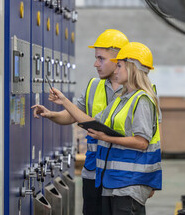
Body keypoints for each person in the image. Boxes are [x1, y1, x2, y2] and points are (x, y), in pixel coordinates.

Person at [47, 42, 162, 215]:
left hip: (129, 183)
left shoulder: (142, 100)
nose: (116, 71)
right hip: (113, 182)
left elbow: (142, 142)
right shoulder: (122, 99)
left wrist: (106, 138)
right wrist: (63, 102)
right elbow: (90, 120)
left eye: (120, 66)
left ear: (131, 68)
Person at [31, 29, 129, 215]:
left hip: (121, 176)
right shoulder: (93, 86)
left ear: (119, 60)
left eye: (101, 58)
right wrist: (51, 114)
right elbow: (73, 116)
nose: (95, 64)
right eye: (96, 58)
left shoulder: (135, 92)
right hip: (93, 174)